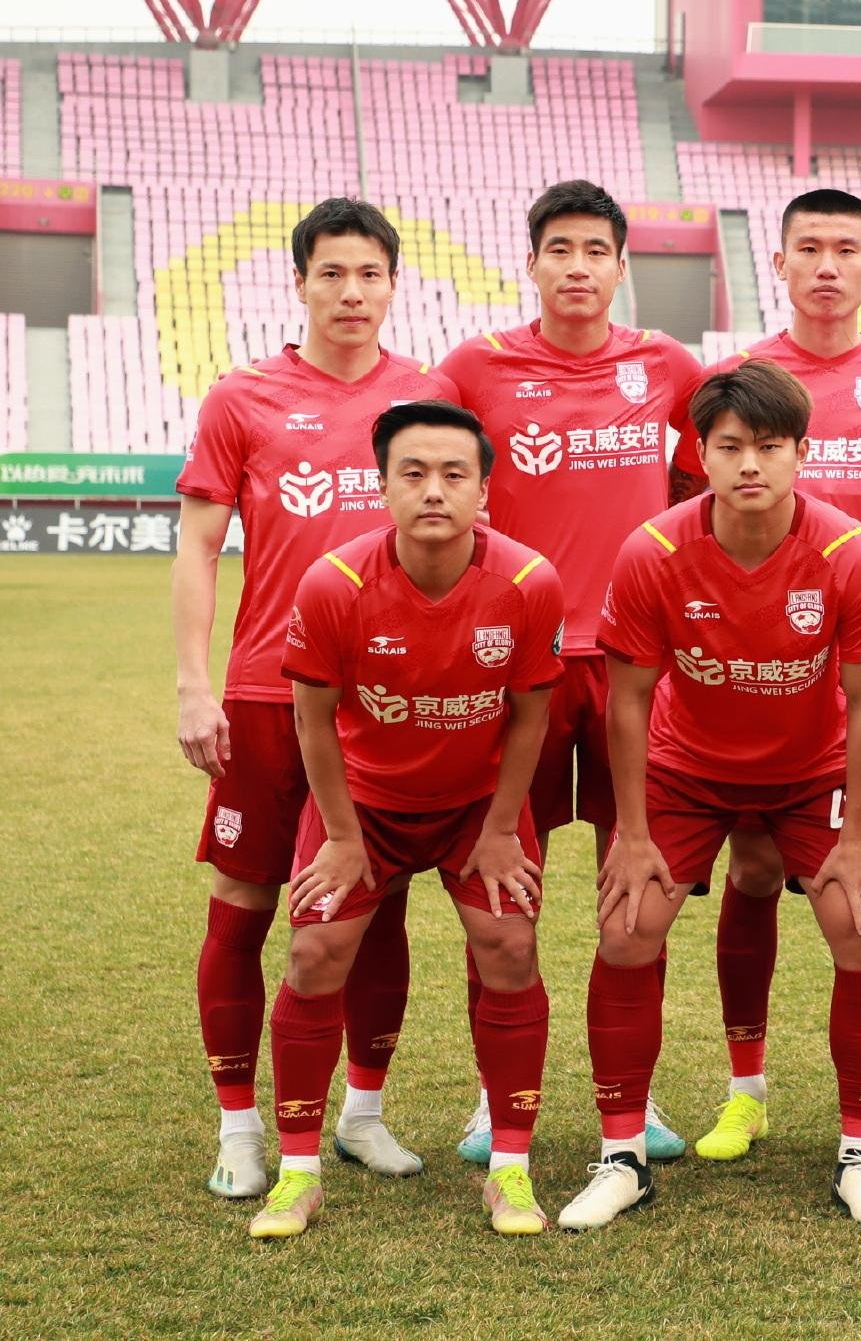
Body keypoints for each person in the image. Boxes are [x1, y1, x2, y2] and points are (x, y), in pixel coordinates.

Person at [561, 361, 861, 1231]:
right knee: (627, 930)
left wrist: (856, 838)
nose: (749, 464)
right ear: (701, 455)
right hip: (687, 768)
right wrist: (631, 833)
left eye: (769, 446)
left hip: (813, 770)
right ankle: (621, 1157)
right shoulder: (654, 552)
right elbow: (629, 700)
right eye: (729, 447)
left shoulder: (851, 554)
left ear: (801, 453)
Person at [174, 198, 450, 1199]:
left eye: (369, 273)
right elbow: (199, 546)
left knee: (376, 911)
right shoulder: (242, 398)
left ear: (393, 284)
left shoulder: (427, 395)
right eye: (330, 272)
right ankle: (239, 1128)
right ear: (299, 282)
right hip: (264, 693)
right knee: (244, 907)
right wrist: (193, 683)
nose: (350, 292)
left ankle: (363, 1117)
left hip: (387, 704)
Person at [665, 188, 861, 1164]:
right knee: (750, 867)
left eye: (845, 249)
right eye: (809, 249)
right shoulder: (735, 378)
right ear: (777, 263)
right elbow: (688, 499)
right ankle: (745, 1091)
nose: (827, 266)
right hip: (749, 668)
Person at [249, 401, 563, 1239]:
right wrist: (341, 836)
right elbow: (313, 719)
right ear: (382, 486)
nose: (433, 491)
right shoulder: (335, 584)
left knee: (510, 946)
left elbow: (530, 714)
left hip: (477, 805)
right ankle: (298, 1175)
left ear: (484, 491)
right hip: (363, 804)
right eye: (413, 474)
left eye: (455, 475)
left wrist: (502, 828)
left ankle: (510, 1171)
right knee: (316, 952)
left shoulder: (529, 582)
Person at [435, 178, 698, 1165]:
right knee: (504, 881)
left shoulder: (665, 364)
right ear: (532, 262)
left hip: (637, 664)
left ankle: (635, 1092)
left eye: (595, 250)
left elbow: (698, 480)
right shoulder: (475, 366)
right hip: (518, 665)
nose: (577, 267)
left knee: (635, 881)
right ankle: (490, 1094)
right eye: (560, 249)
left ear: (621, 266)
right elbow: (432, 477)